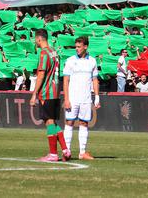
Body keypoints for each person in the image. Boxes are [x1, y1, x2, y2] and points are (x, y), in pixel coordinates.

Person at [32, 29, 69, 162]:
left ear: (39, 39)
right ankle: (65, 150)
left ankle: (53, 154)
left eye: (35, 39)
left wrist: (34, 94)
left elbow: (41, 74)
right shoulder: (54, 51)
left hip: (46, 91)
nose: (35, 42)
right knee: (52, 121)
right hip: (55, 90)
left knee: (49, 122)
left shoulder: (44, 53)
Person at [62, 36, 99, 161]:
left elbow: (95, 80)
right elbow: (66, 81)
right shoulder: (70, 61)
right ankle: (66, 152)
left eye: (79, 47)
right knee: (69, 122)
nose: (76, 49)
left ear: (85, 47)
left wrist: (97, 97)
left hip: (86, 99)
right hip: (73, 98)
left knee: (84, 123)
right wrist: (67, 99)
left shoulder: (92, 61)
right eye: (76, 47)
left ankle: (82, 152)